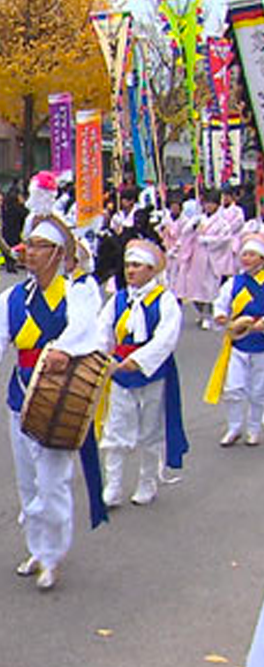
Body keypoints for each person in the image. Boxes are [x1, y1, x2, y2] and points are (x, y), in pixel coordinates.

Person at [0, 211, 104, 591]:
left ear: (58, 253)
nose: (29, 252)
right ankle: (37, 546)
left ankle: (52, 554)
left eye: (39, 246)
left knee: (53, 482)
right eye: (28, 245)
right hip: (21, 394)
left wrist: (63, 349)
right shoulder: (12, 298)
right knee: (28, 481)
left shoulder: (77, 292)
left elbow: (86, 329)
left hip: (60, 396)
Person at [97, 240, 187, 507]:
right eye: (127, 265)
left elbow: (166, 338)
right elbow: (103, 331)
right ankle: (113, 486)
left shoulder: (165, 300)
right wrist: (103, 357)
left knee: (150, 430)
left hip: (152, 373)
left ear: (150, 269)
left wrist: (138, 360)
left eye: (136, 265)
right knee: (115, 429)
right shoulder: (119, 300)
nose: (130, 271)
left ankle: (147, 482)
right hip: (120, 373)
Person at [208, 233, 264, 447]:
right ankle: (234, 427)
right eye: (244, 254)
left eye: (252, 254)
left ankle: (254, 429)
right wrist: (221, 316)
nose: (246, 258)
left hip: (261, 345)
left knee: (258, 390)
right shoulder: (234, 282)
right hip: (238, 343)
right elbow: (221, 303)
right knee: (233, 388)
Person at [172, 198, 220, 328]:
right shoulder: (198, 219)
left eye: (211, 203)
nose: (209, 206)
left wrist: (208, 240)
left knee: (208, 289)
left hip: (210, 259)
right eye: (207, 203)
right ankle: (200, 312)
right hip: (195, 258)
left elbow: (224, 239)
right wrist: (192, 227)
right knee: (193, 289)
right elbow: (185, 234)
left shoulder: (221, 222)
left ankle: (207, 316)